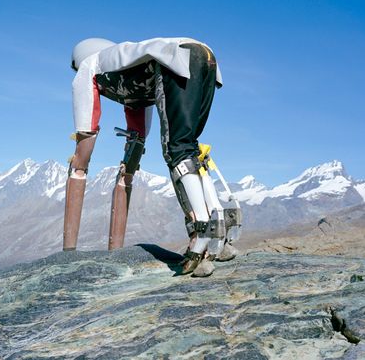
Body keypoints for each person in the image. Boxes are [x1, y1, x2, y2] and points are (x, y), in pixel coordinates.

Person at [63, 37, 242, 277]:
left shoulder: (89, 67)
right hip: (206, 57)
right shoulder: (129, 67)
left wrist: (79, 162)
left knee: (177, 149)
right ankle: (217, 231)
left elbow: (87, 127)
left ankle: (200, 233)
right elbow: (137, 134)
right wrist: (129, 161)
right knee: (189, 147)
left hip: (175, 59)